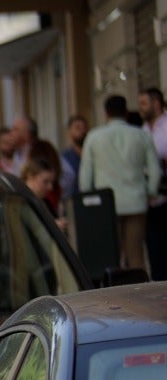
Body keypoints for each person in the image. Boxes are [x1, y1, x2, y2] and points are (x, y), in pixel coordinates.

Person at [81, 95, 161, 277]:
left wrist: (88, 200)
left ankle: (113, 298)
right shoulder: (141, 135)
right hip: (136, 202)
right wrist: (150, 192)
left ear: (105, 113)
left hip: (106, 205)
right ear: (126, 112)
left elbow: (85, 176)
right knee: (136, 257)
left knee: (110, 257)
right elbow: (155, 171)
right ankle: (141, 297)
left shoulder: (94, 137)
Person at [140, 89, 167, 277]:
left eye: (144, 103)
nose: (140, 108)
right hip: (149, 198)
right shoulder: (142, 131)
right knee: (155, 249)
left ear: (156, 103)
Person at [61, 114, 88, 201]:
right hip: (74, 201)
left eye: (84, 128)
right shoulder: (64, 158)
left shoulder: (92, 154)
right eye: (77, 128)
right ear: (69, 131)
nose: (82, 131)